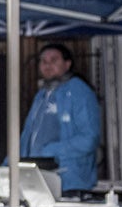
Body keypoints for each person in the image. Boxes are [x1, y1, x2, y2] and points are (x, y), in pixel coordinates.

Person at [19, 41, 101, 194]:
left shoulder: (79, 91)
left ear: (67, 64)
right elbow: (27, 135)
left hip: (69, 180)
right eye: (43, 61)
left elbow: (89, 139)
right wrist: (10, 163)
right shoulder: (42, 94)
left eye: (54, 60)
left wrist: (50, 151)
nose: (47, 65)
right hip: (38, 178)